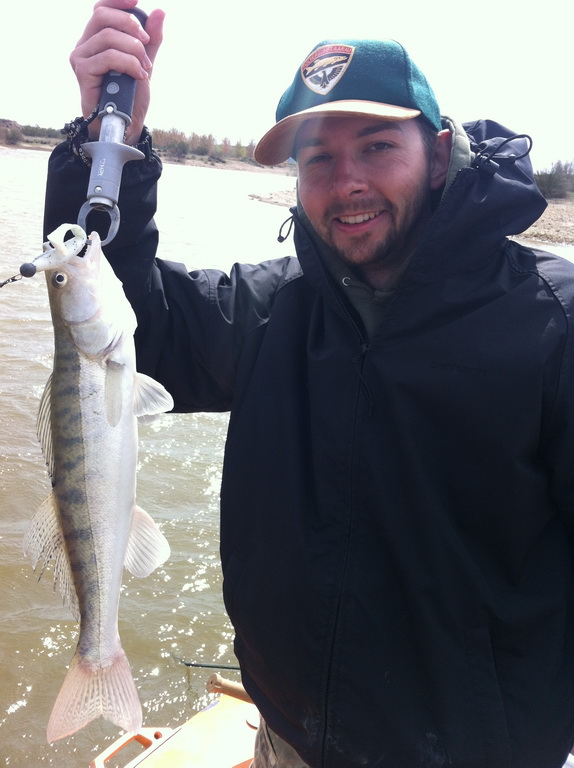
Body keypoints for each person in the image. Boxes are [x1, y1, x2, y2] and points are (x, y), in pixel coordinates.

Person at [43, 1, 574, 766]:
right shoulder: (268, 308)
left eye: (378, 144)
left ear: (439, 149)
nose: (346, 181)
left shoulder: (552, 325)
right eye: (318, 158)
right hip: (286, 741)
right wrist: (105, 139)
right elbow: (129, 329)